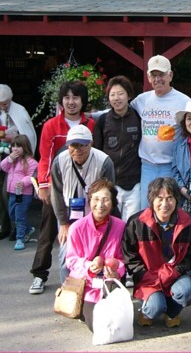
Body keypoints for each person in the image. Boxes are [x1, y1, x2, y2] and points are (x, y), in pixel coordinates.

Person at [29, 80, 96, 295]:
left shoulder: (91, 124)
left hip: (84, 187)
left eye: (75, 97)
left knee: (87, 231)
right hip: (57, 186)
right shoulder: (51, 126)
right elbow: (44, 158)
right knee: (49, 231)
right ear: (61, 101)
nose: (71, 102)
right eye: (66, 97)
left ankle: (84, 277)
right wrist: (44, 185)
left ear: (82, 101)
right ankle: (39, 274)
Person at [123, 177, 191, 328]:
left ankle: (171, 312)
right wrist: (150, 277)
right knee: (155, 307)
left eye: (170, 198)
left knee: (189, 291)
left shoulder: (188, 222)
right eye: (160, 198)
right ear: (152, 200)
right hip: (147, 277)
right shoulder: (136, 223)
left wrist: (175, 271)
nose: (165, 204)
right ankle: (149, 309)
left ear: (177, 200)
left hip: (174, 274)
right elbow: (130, 258)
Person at [51, 124, 115, 284]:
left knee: (99, 256)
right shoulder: (59, 161)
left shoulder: (104, 162)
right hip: (69, 215)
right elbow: (56, 193)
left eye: (82, 145)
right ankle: (69, 294)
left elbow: (109, 195)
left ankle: (97, 292)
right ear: (67, 146)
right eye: (73, 145)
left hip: (97, 215)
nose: (77, 150)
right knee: (66, 255)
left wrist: (103, 222)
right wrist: (63, 223)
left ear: (90, 144)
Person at [130, 55, 191, 209]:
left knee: (168, 208)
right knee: (146, 209)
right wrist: (92, 115)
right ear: (149, 78)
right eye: (154, 75)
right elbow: (120, 111)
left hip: (171, 166)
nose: (158, 79)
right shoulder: (141, 100)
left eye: (162, 75)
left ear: (170, 75)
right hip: (147, 166)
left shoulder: (184, 101)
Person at [65, 178, 126, 331]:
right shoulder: (77, 227)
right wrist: (88, 266)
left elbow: (124, 257)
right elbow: (71, 260)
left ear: (112, 203)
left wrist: (117, 269)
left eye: (105, 200)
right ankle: (84, 311)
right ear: (89, 200)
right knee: (98, 326)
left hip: (110, 281)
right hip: (87, 285)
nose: (100, 205)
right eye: (96, 199)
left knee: (118, 323)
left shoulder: (121, 226)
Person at [93, 75, 142, 222]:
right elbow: (97, 150)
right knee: (111, 222)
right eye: (112, 95)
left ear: (129, 95)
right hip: (111, 183)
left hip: (134, 182)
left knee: (131, 223)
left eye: (120, 94)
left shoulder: (138, 117)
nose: (116, 98)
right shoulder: (103, 120)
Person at [0, 84, 37, 240]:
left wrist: (12, 139)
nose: (3, 106)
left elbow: (27, 134)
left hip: (15, 158)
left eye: (5, 103)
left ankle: (16, 227)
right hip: (4, 158)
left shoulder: (19, 110)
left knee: (7, 193)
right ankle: (4, 226)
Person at [0, 134, 38, 250]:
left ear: (25, 147)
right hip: (12, 192)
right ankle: (28, 228)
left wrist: (23, 182)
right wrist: (10, 158)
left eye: (18, 146)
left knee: (20, 216)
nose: (15, 149)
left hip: (23, 194)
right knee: (12, 214)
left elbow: (32, 175)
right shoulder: (12, 160)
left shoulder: (31, 161)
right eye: (13, 146)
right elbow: (3, 167)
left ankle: (20, 239)